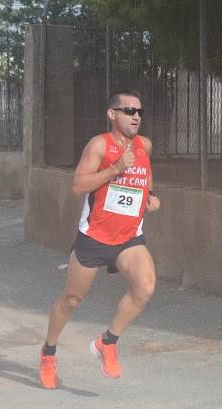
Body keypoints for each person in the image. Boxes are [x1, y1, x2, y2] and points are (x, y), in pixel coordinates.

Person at [39, 89, 160, 387]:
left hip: (129, 237)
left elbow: (145, 175)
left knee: (145, 287)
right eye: (128, 111)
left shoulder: (144, 145)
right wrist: (116, 168)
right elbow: (79, 186)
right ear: (112, 114)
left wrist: (151, 196)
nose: (135, 117)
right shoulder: (99, 146)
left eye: (139, 112)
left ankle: (107, 342)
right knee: (71, 299)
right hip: (95, 237)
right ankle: (48, 353)